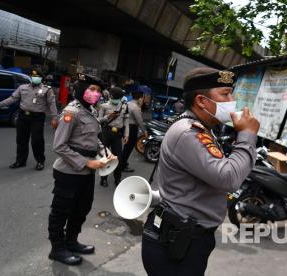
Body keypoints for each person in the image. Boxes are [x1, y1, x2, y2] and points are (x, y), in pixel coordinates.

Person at [141, 68, 260, 276]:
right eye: (225, 94)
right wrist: (247, 135)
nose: (232, 101)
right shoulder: (190, 132)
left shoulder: (203, 129)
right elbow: (229, 178)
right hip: (176, 243)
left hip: (186, 238)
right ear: (201, 101)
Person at [48, 74, 116, 265]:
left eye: (98, 90)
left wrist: (106, 153)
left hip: (87, 172)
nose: (95, 93)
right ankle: (57, 248)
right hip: (68, 172)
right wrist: (87, 162)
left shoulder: (91, 111)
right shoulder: (72, 112)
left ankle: (71, 241)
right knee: (61, 211)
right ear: (81, 89)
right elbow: (59, 146)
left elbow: (94, 140)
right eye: (91, 89)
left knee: (82, 208)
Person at [0, 68, 58, 170]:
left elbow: (52, 104)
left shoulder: (47, 89)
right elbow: (12, 99)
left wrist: (54, 117)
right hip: (23, 116)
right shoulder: (22, 88)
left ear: (41, 78)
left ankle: (40, 161)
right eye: (33, 76)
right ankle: (20, 161)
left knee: (37, 140)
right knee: (21, 140)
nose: (35, 78)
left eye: (37, 76)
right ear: (30, 77)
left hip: (37, 117)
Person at [98, 87, 129, 187]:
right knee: (106, 157)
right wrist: (109, 116)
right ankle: (103, 178)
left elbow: (126, 122)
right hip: (106, 132)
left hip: (118, 134)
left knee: (118, 158)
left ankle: (117, 179)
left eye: (118, 97)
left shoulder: (124, 107)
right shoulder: (104, 106)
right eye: (115, 97)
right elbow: (98, 120)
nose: (116, 99)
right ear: (111, 96)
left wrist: (126, 135)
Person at [122, 91, 148, 172]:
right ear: (140, 98)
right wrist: (144, 131)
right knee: (128, 148)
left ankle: (123, 163)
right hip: (132, 128)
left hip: (125, 126)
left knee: (126, 147)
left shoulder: (128, 104)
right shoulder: (135, 107)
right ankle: (123, 165)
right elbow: (139, 121)